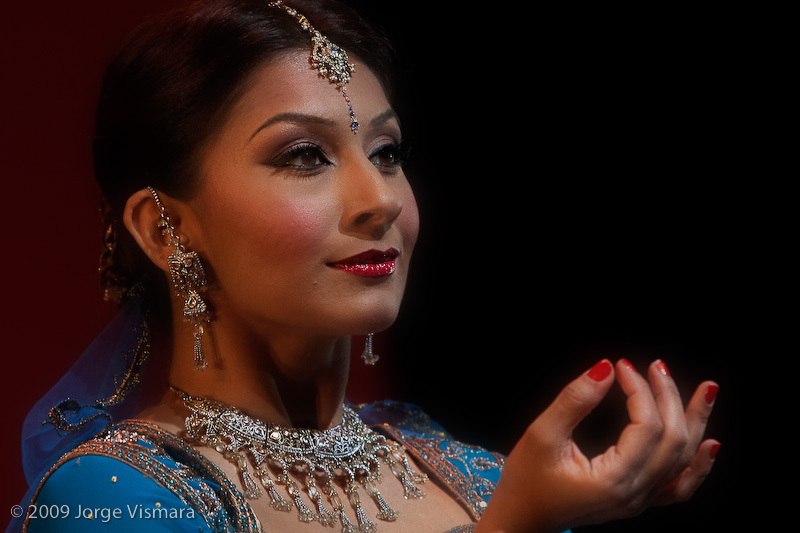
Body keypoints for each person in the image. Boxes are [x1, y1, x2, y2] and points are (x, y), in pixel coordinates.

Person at [8, 1, 720, 532]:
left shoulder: (468, 470)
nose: (379, 199)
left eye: (386, 153)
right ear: (165, 228)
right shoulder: (110, 498)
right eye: (304, 156)